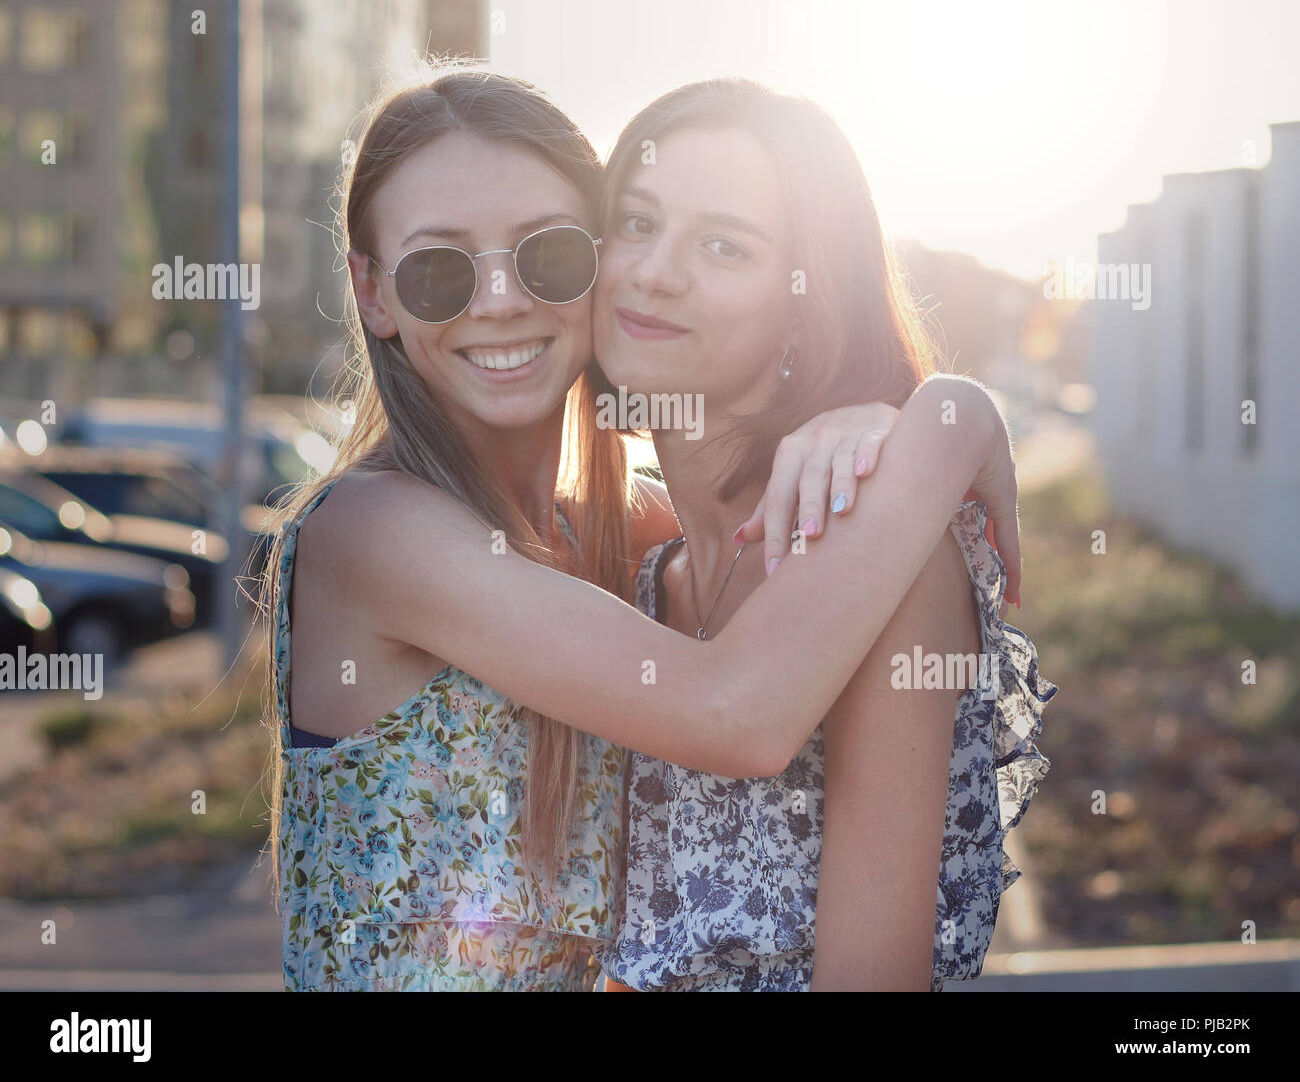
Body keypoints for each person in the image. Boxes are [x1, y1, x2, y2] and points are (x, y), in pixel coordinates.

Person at [266, 63, 1022, 991]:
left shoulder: (634, 555)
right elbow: (733, 713)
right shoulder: (375, 532)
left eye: (546, 251)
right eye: (437, 269)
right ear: (372, 293)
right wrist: (953, 422)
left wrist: (891, 426)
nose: (499, 299)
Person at [591, 78, 1055, 991]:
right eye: (636, 223)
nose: (654, 271)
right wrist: (948, 418)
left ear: (807, 304)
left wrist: (946, 414)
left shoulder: (879, 550)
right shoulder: (642, 571)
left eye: (725, 245)